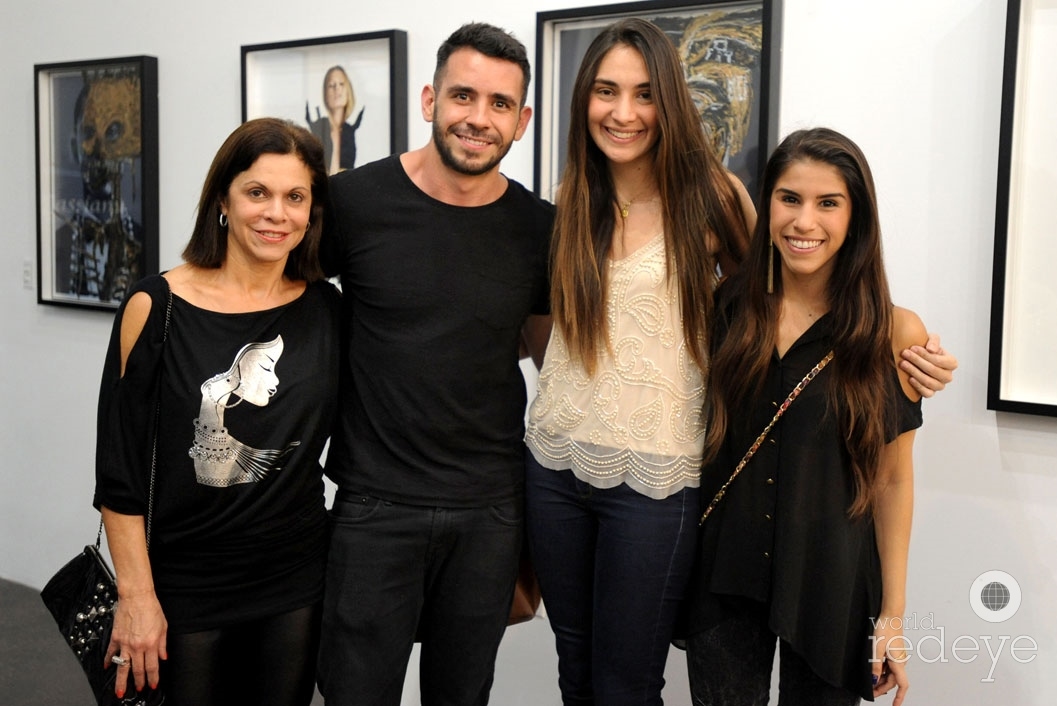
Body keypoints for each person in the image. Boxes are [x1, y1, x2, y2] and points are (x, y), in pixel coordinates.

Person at [523, 20, 955, 705]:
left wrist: (904, 339)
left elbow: (781, 287)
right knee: (575, 661)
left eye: (643, 93)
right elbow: (552, 326)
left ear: (670, 99)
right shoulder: (573, 196)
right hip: (556, 464)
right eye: (606, 91)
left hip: (659, 474)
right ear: (583, 100)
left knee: (626, 679)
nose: (623, 111)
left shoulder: (714, 195)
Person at [316, 23, 552, 706]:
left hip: (489, 512)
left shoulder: (541, 229)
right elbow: (274, 300)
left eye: (500, 104)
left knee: (463, 696)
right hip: (373, 505)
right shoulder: (354, 202)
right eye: (463, 96)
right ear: (429, 99)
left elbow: (553, 360)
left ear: (522, 120)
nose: (479, 118)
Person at [94, 117, 340, 706]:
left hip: (295, 579)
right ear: (223, 202)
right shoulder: (156, 305)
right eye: (257, 192)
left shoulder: (326, 310)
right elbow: (119, 473)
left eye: (295, 197)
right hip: (184, 585)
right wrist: (137, 596)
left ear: (311, 212)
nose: (276, 213)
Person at [684, 127, 922, 706]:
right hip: (725, 575)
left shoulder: (894, 333)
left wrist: (892, 614)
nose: (804, 222)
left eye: (828, 203)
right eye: (790, 198)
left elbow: (891, 480)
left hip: (831, 583)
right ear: (767, 204)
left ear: (856, 216)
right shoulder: (727, 309)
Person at [307, 65, 364, 175]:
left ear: (348, 90)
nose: (337, 88)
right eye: (331, 85)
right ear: (325, 93)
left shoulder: (353, 129)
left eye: (341, 84)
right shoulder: (316, 129)